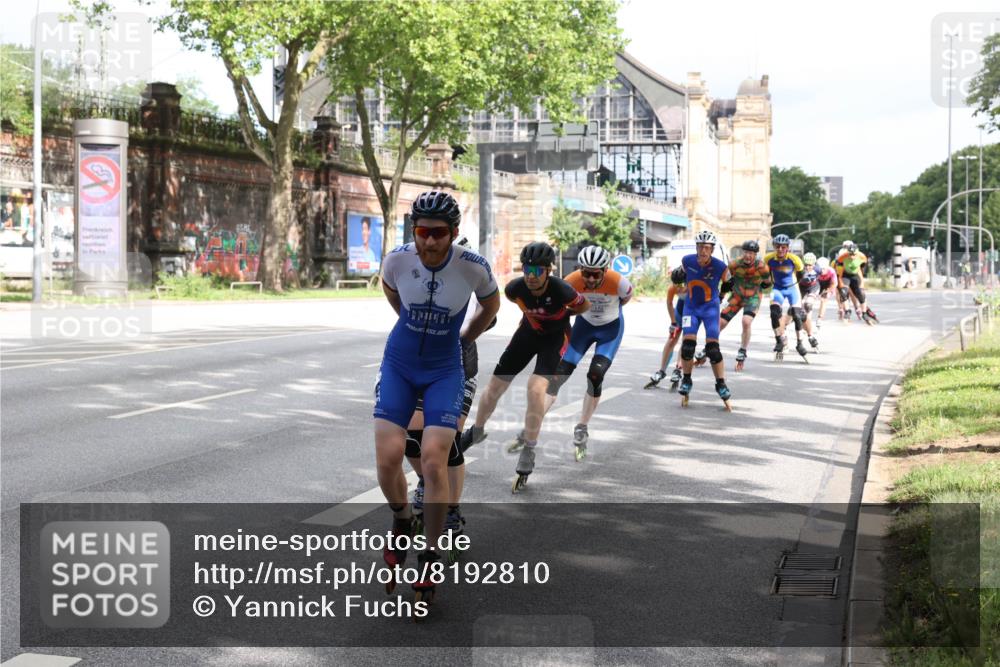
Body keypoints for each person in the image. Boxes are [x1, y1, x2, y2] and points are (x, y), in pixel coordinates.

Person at [373, 190, 501, 600]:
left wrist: (466, 337)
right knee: (389, 455)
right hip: (400, 362)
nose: (430, 241)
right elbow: (391, 289)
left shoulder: (472, 267)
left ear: (454, 233)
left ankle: (430, 551)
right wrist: (410, 324)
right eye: (423, 232)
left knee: (433, 459)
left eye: (439, 233)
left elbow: (492, 304)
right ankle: (400, 518)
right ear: (414, 230)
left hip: (445, 368)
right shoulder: (397, 259)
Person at [459, 241, 590, 493]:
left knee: (535, 388)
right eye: (527, 270)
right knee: (494, 387)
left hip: (555, 339)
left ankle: (529, 448)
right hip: (527, 335)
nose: (530, 276)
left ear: (548, 271)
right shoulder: (514, 289)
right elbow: (507, 303)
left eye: (537, 271)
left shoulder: (562, 290)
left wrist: (562, 316)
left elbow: (583, 306)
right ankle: (476, 431)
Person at [405, 237, 495, 561]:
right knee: (410, 439)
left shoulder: (469, 278)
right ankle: (424, 482)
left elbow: (488, 313)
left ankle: (452, 509)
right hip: (417, 366)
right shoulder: (413, 276)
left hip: (457, 367)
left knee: (449, 442)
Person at [544, 245, 632, 460]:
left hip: (610, 329)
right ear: (580, 269)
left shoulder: (619, 282)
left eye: (595, 274)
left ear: (605, 270)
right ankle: (535, 421)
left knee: (595, 374)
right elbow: (561, 306)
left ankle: (582, 426)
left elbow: (625, 300)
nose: (590, 279)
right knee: (558, 375)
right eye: (586, 273)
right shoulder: (572, 280)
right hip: (584, 327)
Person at [678, 230, 732, 409]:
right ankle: (686, 380)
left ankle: (721, 384)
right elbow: (680, 277)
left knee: (713, 350)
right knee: (688, 347)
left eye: (707, 248)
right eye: (700, 247)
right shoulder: (687, 261)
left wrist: (722, 296)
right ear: (696, 247)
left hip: (710, 309)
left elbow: (729, 283)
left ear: (712, 250)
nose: (703, 251)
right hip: (691, 308)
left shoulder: (720, 266)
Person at [718, 239, 769, 371]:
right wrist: (721, 296)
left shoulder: (762, 266)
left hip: (753, 297)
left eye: (751, 253)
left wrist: (765, 284)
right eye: (746, 252)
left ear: (755, 255)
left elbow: (768, 281)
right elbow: (726, 282)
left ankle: (742, 350)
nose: (748, 255)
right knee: (719, 323)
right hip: (737, 297)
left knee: (746, 321)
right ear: (743, 252)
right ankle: (710, 346)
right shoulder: (734, 265)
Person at [763, 234, 810, 362]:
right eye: (777, 247)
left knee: (797, 314)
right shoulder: (768, 259)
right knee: (774, 313)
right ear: (774, 247)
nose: (780, 250)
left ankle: (800, 343)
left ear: (788, 248)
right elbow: (765, 274)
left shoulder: (795, 259)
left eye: (783, 247)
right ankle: (779, 341)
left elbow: (801, 274)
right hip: (777, 289)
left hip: (792, 289)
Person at [646, 266, 687, 389]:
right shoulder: (673, 288)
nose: (678, 288)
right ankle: (661, 371)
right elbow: (669, 304)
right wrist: (673, 323)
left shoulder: (694, 285)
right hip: (680, 312)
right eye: (676, 285)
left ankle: (678, 369)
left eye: (681, 285)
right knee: (672, 339)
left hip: (692, 313)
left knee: (687, 341)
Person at [834, 241, 878, 324]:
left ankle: (864, 314)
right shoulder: (842, 257)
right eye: (850, 254)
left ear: (857, 253)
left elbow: (861, 269)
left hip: (856, 275)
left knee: (861, 293)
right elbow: (838, 273)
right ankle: (847, 311)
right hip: (845, 275)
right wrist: (839, 286)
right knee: (843, 292)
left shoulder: (862, 257)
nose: (852, 256)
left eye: (854, 254)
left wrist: (861, 285)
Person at [797, 252, 822, 352]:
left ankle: (809, 329)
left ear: (814, 264)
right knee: (798, 310)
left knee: (808, 304)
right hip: (801, 288)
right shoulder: (800, 270)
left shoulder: (818, 269)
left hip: (813, 287)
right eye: (806, 265)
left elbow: (822, 280)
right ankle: (806, 325)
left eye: (810, 265)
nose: (808, 267)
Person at [814, 256, 838, 326]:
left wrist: (828, 291)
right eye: (820, 269)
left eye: (824, 269)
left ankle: (819, 318)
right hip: (818, 283)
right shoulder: (815, 271)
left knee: (824, 299)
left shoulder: (831, 271)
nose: (822, 271)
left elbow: (834, 284)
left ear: (827, 267)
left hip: (828, 284)